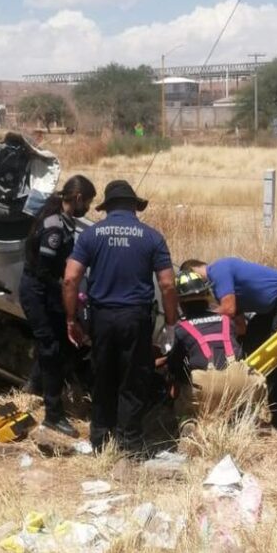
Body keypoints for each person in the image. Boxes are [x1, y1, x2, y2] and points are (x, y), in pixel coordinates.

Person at [63, 178, 178, 455]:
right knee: (133, 378)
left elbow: (70, 280)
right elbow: (168, 285)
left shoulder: (91, 236)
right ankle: (129, 442)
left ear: (107, 207)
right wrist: (171, 324)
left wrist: (71, 319)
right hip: (136, 319)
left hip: (101, 317)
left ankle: (101, 439)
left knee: (103, 376)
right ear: (134, 207)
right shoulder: (152, 237)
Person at [180, 255, 277, 430]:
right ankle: (245, 401)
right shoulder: (223, 289)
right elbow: (240, 327)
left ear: (193, 273)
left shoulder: (217, 270)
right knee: (250, 344)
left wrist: (198, 320)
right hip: (272, 308)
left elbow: (229, 309)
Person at [19, 173, 96, 437]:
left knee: (57, 345)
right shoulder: (54, 227)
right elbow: (43, 271)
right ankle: (53, 415)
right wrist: (69, 290)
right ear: (76, 198)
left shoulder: (63, 221)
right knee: (50, 349)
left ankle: (34, 387)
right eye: (87, 202)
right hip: (38, 292)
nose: (86, 208)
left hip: (46, 292)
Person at [164, 267, 255, 427]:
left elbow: (175, 366)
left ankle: (188, 422)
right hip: (241, 382)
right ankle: (241, 416)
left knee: (182, 401)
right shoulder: (227, 320)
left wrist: (176, 386)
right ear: (206, 296)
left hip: (208, 385)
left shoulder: (181, 328)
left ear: (180, 302)